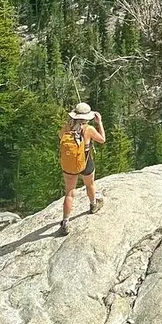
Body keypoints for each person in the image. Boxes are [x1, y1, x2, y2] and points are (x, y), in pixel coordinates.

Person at [58, 101, 106, 235]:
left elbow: (61, 137)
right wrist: (99, 123)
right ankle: (93, 205)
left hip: (69, 164)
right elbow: (102, 139)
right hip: (85, 162)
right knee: (90, 185)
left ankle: (65, 222)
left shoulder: (66, 127)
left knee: (70, 193)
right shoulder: (89, 129)